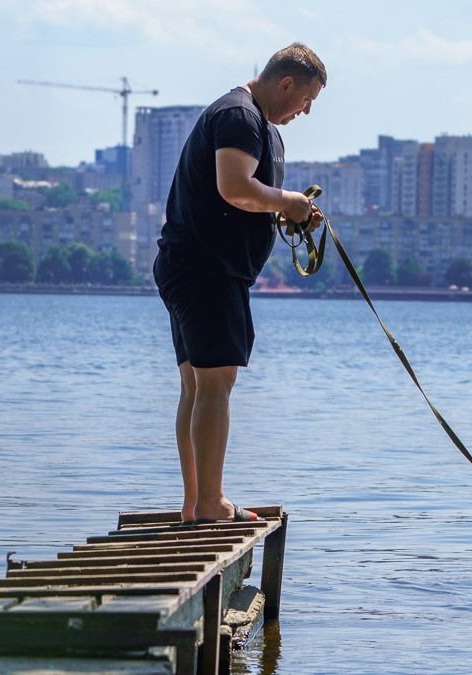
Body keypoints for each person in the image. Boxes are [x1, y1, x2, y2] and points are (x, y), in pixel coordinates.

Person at [153, 43, 326, 523]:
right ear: (286, 83)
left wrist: (288, 212)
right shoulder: (239, 116)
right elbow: (235, 187)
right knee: (215, 383)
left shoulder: (256, 124)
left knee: (197, 385)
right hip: (206, 270)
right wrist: (289, 200)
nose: (305, 111)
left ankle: (196, 504)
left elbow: (242, 196)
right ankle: (209, 503)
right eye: (306, 100)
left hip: (195, 266)